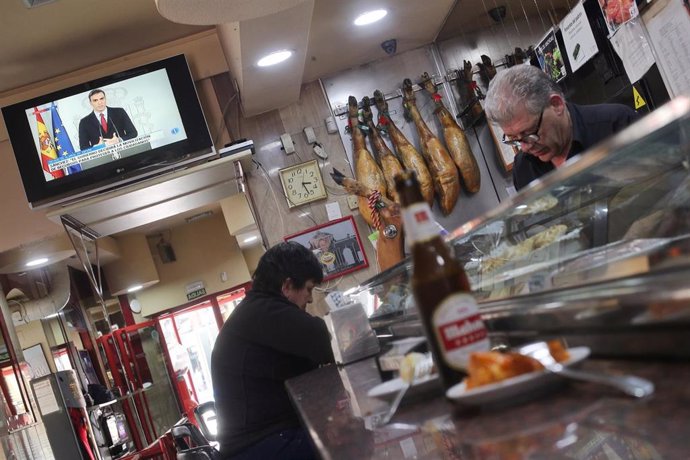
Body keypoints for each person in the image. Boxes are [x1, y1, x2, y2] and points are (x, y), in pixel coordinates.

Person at [211, 242, 334, 460]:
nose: (310, 298)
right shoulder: (262, 311)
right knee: (343, 443)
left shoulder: (255, 310)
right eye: (308, 289)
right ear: (287, 286)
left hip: (261, 440)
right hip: (258, 446)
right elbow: (324, 338)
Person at [484, 65, 639, 190]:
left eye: (529, 133)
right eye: (513, 139)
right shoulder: (524, 168)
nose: (524, 147)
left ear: (556, 105)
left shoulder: (616, 125)